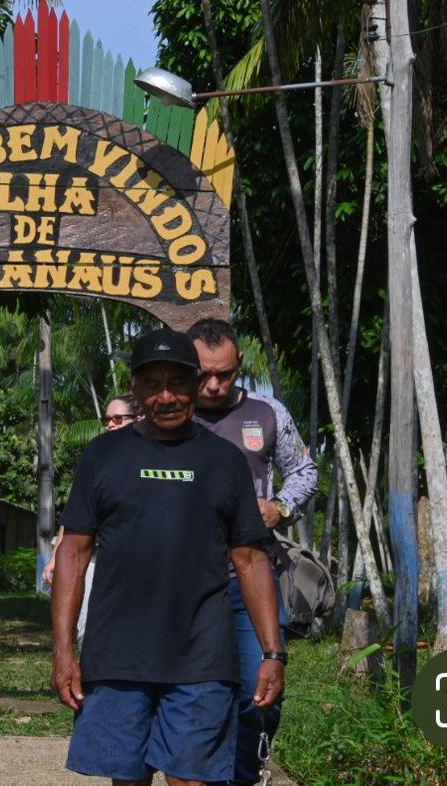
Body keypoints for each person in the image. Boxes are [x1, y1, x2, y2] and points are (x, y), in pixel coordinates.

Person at [51, 327, 285, 786]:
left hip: (202, 653)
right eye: (152, 385)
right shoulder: (103, 455)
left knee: (192, 780)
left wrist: (273, 653)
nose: (166, 396)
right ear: (135, 389)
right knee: (128, 778)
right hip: (118, 654)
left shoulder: (225, 461)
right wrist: (63, 651)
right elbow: (73, 555)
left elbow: (251, 560)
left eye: (177, 383)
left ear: (196, 384)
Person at [187, 317, 318, 786]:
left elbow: (305, 471)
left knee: (258, 690)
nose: (215, 384)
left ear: (240, 363)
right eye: (203, 373)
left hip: (251, 579)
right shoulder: (166, 415)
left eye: (225, 373)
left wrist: (280, 508)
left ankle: (244, 776)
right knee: (195, 696)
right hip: (183, 585)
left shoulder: (268, 413)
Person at [41, 395, 141, 642]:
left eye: (118, 419)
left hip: (137, 562)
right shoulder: (97, 457)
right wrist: (55, 556)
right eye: (107, 419)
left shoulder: (155, 460)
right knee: (88, 629)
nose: (110, 424)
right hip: (94, 558)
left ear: (139, 419)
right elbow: (76, 515)